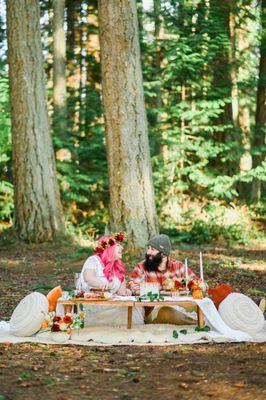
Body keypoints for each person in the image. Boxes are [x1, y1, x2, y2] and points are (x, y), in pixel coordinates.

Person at [130, 234, 200, 325]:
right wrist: (157, 291)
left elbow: (197, 283)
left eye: (152, 249)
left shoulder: (178, 266)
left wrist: (196, 286)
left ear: (163, 254)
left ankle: (205, 321)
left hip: (179, 305)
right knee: (166, 312)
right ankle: (197, 324)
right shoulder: (141, 267)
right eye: (149, 248)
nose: (148, 252)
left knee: (199, 305)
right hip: (153, 311)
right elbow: (134, 289)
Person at [76, 233, 144, 326]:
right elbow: (88, 277)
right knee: (123, 314)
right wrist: (100, 284)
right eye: (118, 245)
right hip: (93, 306)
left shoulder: (117, 268)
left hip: (111, 305)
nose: (122, 248)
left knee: (132, 308)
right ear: (110, 248)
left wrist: (128, 291)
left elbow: (121, 292)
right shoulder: (94, 260)